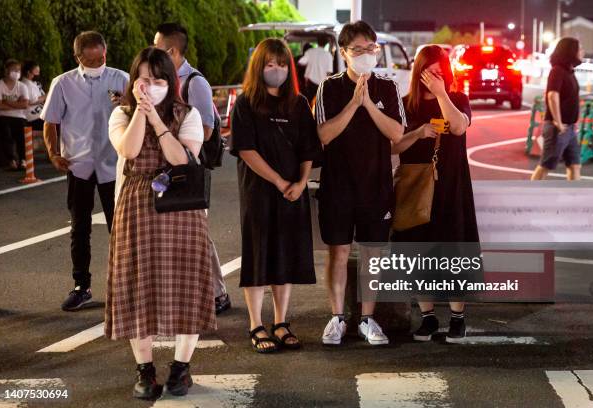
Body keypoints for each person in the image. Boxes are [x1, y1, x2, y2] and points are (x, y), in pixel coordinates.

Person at [106, 46, 216, 399]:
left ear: (170, 81)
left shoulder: (189, 115)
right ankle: (145, 370)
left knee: (186, 284)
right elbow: (129, 150)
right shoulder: (121, 114)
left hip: (181, 208)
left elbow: (181, 160)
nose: (149, 86)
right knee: (138, 287)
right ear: (133, 81)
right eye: (142, 79)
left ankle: (182, 367)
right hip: (137, 207)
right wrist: (142, 111)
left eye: (157, 80)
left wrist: (157, 120)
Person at [315, 21, 405, 346]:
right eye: (358, 49)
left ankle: (368, 318)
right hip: (337, 184)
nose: (367, 54)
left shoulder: (388, 87)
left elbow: (397, 133)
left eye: (372, 48)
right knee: (337, 251)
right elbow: (323, 135)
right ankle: (337, 318)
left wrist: (368, 103)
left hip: (376, 184)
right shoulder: (329, 87)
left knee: (371, 253)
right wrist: (354, 103)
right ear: (343, 53)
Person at [230, 38, 320, 353]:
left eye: (282, 65)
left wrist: (301, 181)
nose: (277, 70)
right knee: (258, 255)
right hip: (258, 193)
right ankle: (256, 324)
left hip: (293, 194)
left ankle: (281, 322)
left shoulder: (297, 104)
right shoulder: (245, 103)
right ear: (259, 67)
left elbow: (309, 147)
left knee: (286, 254)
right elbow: (245, 150)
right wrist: (281, 182)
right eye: (270, 64)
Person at [391, 45, 478, 343]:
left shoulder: (457, 99)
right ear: (418, 72)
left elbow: (458, 127)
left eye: (441, 72)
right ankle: (427, 317)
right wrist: (418, 133)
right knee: (416, 250)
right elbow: (392, 146)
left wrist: (442, 94)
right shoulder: (404, 105)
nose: (435, 77)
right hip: (415, 187)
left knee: (452, 249)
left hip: (450, 186)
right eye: (429, 72)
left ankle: (457, 318)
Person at [41, 31, 128, 311]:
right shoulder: (63, 83)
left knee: (122, 229)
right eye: (91, 60)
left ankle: (126, 286)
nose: (98, 63)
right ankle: (81, 285)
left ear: (106, 52)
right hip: (78, 165)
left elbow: (139, 114)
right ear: (78, 57)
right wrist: (53, 153)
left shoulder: (121, 78)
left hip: (114, 164)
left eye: (102, 57)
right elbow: (50, 121)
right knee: (80, 228)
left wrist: (128, 104)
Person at [154, 22, 232, 315]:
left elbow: (208, 131)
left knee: (196, 233)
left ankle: (218, 293)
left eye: (157, 47)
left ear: (171, 50)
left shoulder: (193, 82)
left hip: (189, 168)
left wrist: (170, 130)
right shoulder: (159, 79)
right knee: (169, 233)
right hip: (162, 167)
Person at [531, 37, 584, 181]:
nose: (582, 51)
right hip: (558, 128)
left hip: (570, 127)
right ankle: (529, 196)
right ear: (570, 51)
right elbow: (552, 96)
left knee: (574, 165)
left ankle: (573, 198)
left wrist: (573, 122)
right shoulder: (558, 71)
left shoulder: (570, 72)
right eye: (579, 49)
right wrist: (558, 122)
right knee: (546, 165)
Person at [0, 59, 29, 170]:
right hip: (2, 116)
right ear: (6, 71)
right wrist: (17, 104)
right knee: (6, 134)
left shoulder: (22, 86)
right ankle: (12, 160)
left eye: (18, 70)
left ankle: (23, 160)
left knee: (21, 134)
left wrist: (7, 102)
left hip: (20, 117)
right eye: (14, 70)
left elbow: (25, 105)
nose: (17, 72)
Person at [298, 37, 332, 102]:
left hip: (310, 82)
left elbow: (300, 63)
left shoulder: (310, 52)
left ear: (317, 42)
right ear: (326, 44)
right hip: (322, 84)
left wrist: (309, 65)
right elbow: (329, 72)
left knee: (308, 102)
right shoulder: (328, 55)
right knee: (319, 103)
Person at [21, 60, 46, 131]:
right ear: (28, 72)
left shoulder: (33, 83)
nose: (38, 74)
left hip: (40, 114)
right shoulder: (25, 84)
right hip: (33, 117)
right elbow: (32, 101)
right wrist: (47, 95)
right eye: (36, 72)